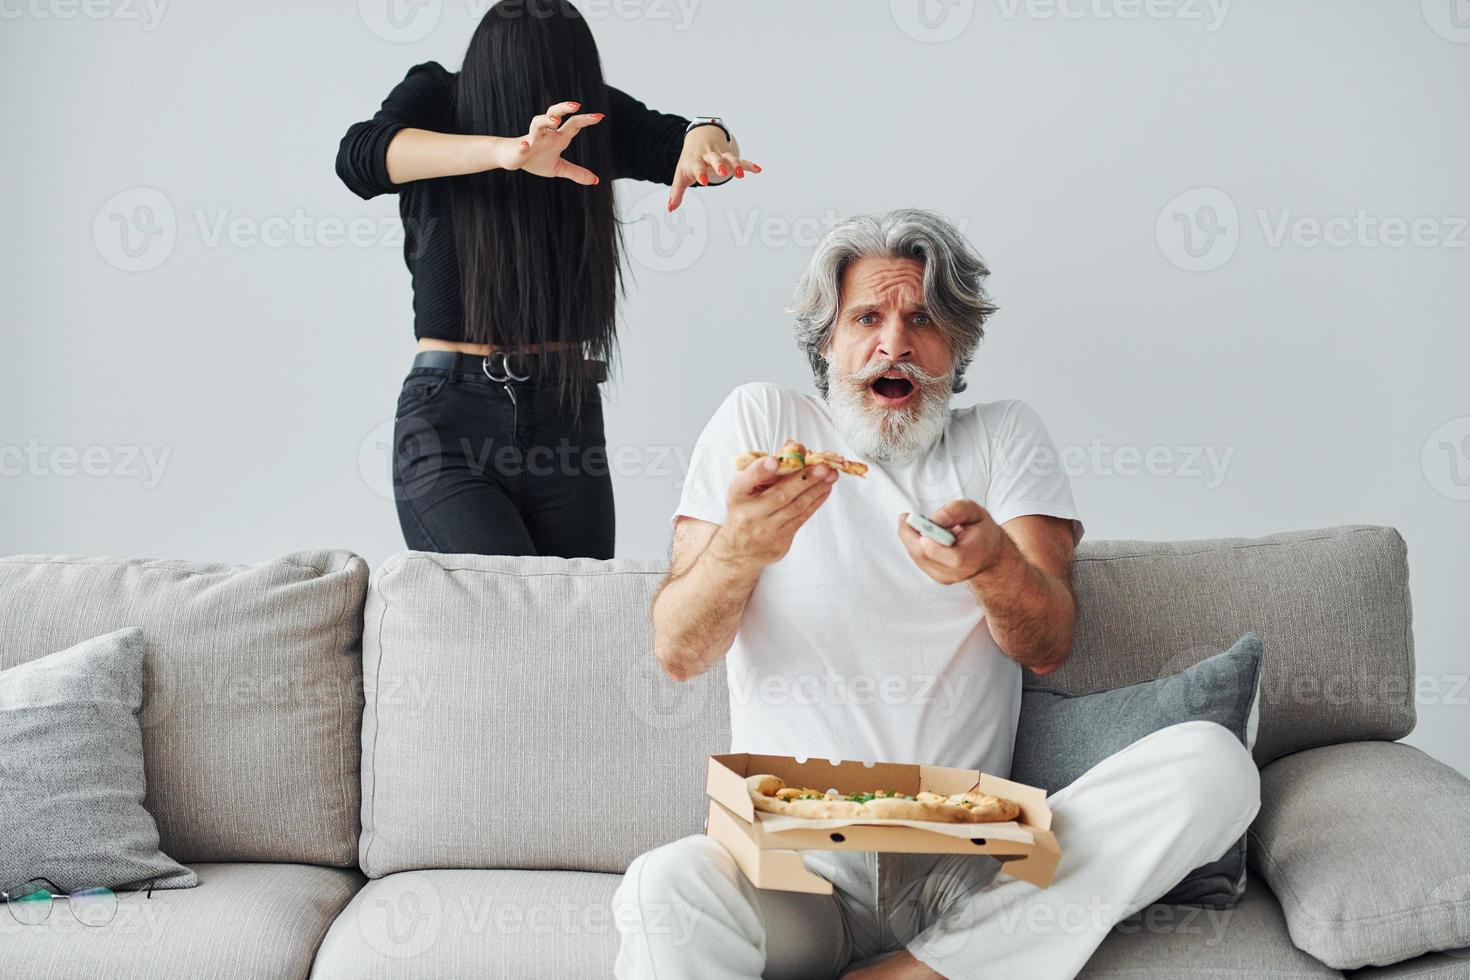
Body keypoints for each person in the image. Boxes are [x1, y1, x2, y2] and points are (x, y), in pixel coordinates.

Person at [612, 209, 1260, 979]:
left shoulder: (1005, 439)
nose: (895, 344)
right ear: (827, 342)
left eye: (922, 319)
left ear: (958, 344)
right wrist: (741, 548)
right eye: (867, 318)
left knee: (1214, 764)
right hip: (793, 870)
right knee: (661, 888)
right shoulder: (761, 421)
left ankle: (920, 972)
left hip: (973, 872)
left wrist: (993, 568)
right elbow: (679, 651)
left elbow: (1047, 644)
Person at [335, 0, 759, 558]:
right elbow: (359, 157)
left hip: (567, 417)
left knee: (577, 627)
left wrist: (708, 133)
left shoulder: (588, 117)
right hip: (450, 423)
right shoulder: (439, 95)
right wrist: (507, 153)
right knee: (504, 617)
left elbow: (679, 145)